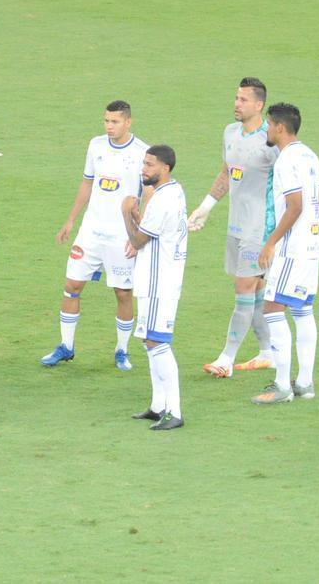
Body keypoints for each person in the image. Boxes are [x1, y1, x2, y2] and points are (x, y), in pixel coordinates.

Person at [41, 101, 149, 371]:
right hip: (90, 232)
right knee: (72, 286)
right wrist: (70, 220)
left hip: (121, 235)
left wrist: (137, 236)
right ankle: (66, 346)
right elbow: (87, 182)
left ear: (128, 122)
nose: (109, 126)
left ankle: (122, 351)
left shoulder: (142, 152)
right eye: (106, 121)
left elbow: (147, 195)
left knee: (123, 293)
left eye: (114, 121)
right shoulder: (96, 145)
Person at [188, 77, 277, 377]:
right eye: (236, 98)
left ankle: (226, 359)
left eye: (242, 99)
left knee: (244, 289)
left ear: (258, 105)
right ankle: (268, 351)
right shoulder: (230, 132)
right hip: (236, 226)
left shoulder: (272, 140)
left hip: (260, 229)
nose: (236, 104)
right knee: (256, 293)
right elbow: (227, 173)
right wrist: (205, 208)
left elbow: (290, 184)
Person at [252, 103, 319, 405]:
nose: (267, 129)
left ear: (280, 127)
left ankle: (282, 386)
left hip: (292, 249)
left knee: (272, 309)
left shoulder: (285, 161)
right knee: (303, 310)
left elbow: (295, 205)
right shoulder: (310, 154)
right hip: (312, 244)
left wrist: (271, 243)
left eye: (269, 124)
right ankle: (304, 383)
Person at [121, 146, 187, 431]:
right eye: (143, 164)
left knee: (158, 343)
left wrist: (126, 214)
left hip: (161, 283)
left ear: (165, 168)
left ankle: (175, 411)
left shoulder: (163, 200)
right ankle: (158, 404)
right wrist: (137, 216)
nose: (143, 169)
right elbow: (149, 231)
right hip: (155, 280)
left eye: (149, 165)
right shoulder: (172, 192)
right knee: (150, 342)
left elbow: (137, 242)